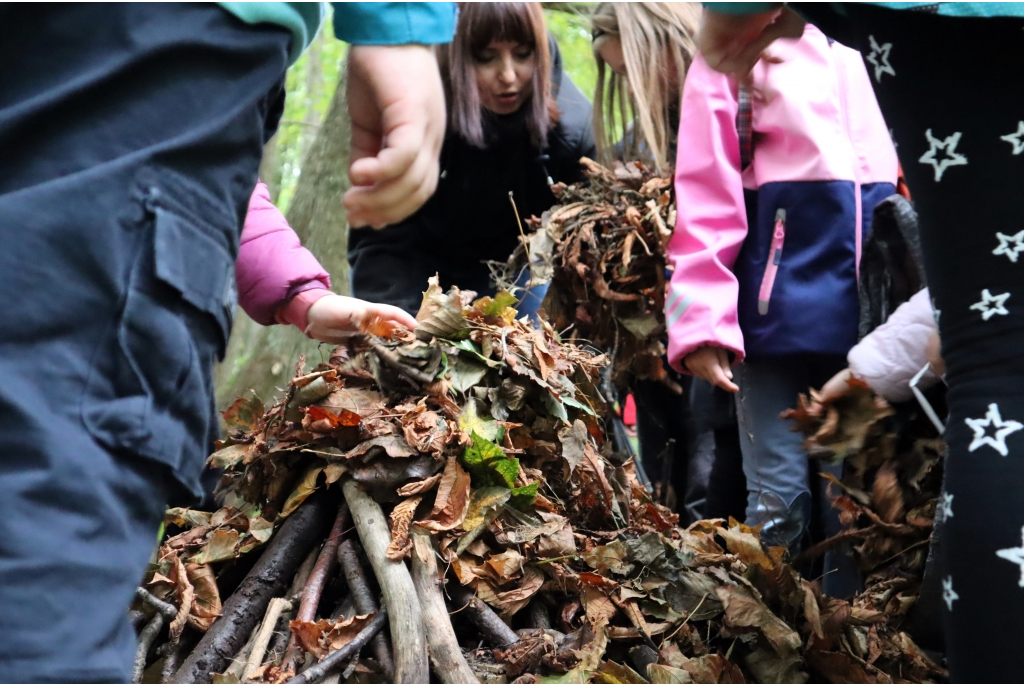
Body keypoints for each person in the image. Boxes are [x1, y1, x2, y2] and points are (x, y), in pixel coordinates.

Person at [0, 4, 452, 681]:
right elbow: (144, 150)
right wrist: (398, 28)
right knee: (48, 521)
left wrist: (304, 294)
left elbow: (144, 162)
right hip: (167, 37)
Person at [695, 4, 1024, 678]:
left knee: (997, 368)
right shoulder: (746, 90)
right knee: (784, 493)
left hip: (948, 22)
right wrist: (875, 370)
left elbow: (985, 311)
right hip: (775, 336)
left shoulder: (848, 62)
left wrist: (729, 11)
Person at [665, 22, 898, 596]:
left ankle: (851, 652)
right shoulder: (737, 43)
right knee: (778, 507)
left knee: (855, 515)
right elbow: (704, 196)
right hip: (770, 330)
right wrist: (702, 319)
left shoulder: (876, 36)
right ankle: (761, 649)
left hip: (874, 327)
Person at [589, 2, 742, 524]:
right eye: (617, 77)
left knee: (713, 462)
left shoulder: (736, 98)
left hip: (723, 322)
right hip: (653, 341)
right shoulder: (632, 144)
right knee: (664, 465)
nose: (631, 88)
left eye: (631, 69)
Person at [349, 1, 596, 316]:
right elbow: (383, 244)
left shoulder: (573, 130)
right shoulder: (416, 122)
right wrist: (397, 329)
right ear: (458, 59)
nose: (508, 75)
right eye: (486, 58)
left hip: (524, 282)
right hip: (425, 278)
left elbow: (586, 253)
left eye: (522, 55)